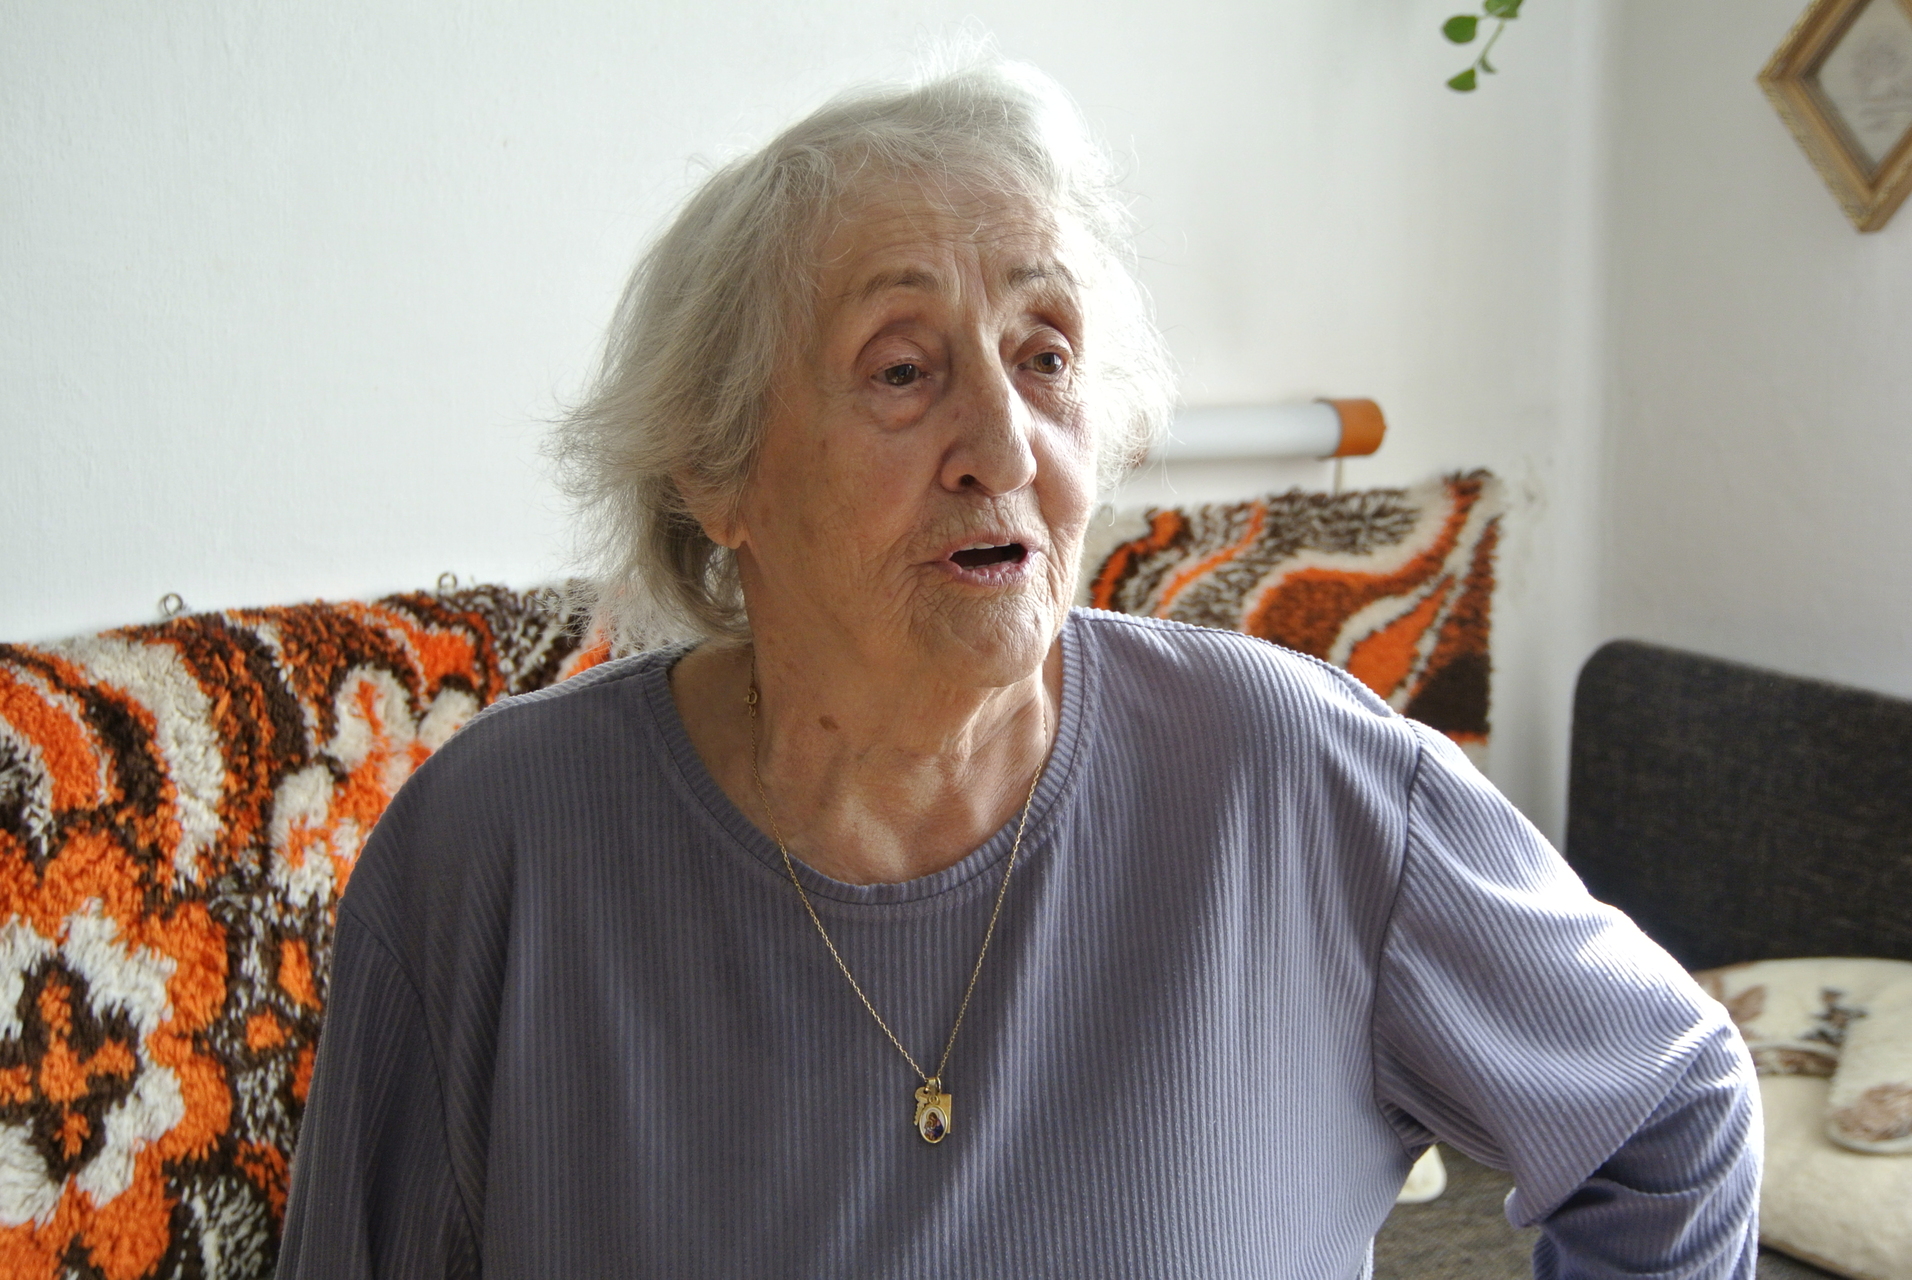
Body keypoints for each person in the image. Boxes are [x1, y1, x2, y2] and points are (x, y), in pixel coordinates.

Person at [277, 58, 1758, 1278]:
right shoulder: (497, 853)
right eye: (902, 369)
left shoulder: (1287, 774)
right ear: (717, 473)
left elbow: (1670, 1113)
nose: (1002, 444)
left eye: (1045, 355)